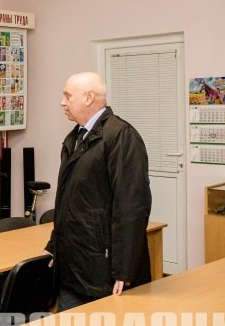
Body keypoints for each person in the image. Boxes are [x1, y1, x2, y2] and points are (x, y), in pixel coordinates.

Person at [45, 71, 152, 311]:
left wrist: (124, 269)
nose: (62, 102)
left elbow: (132, 207)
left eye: (68, 96)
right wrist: (53, 246)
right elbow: (69, 204)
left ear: (89, 98)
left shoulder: (121, 136)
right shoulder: (75, 137)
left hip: (104, 271)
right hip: (74, 267)